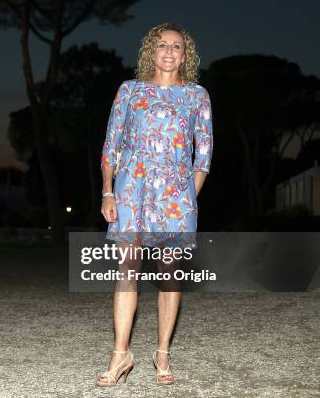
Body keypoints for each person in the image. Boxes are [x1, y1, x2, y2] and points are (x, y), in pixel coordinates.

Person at [96, 22, 213, 387]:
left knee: (168, 274)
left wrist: (186, 198)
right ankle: (121, 354)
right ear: (152, 50)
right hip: (132, 190)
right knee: (127, 268)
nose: (168, 51)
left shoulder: (196, 96)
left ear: (184, 55)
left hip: (175, 197)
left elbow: (204, 154)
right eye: (162, 45)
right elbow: (111, 144)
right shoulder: (130, 91)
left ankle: (162, 353)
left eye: (176, 46)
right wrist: (108, 190)